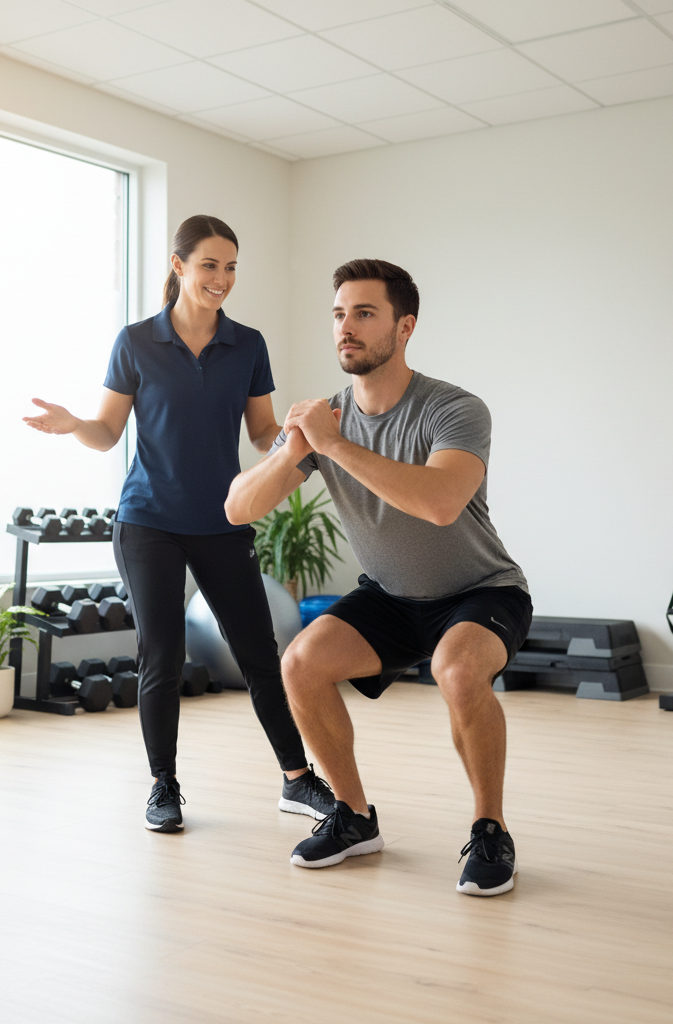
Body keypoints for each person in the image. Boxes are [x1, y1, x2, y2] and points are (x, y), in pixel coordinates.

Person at [225, 258, 531, 895]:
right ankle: (356, 817)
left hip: (480, 589)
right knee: (301, 663)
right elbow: (238, 507)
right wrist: (295, 450)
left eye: (365, 313)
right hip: (390, 595)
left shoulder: (452, 408)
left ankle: (490, 827)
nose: (347, 327)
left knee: (457, 669)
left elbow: (441, 502)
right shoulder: (325, 419)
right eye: (339, 314)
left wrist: (333, 446)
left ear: (405, 326)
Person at [23, 215, 334, 833]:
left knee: (259, 655)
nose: (222, 279)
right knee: (160, 654)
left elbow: (261, 433)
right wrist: (73, 423)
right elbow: (109, 432)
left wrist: (300, 436)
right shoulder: (137, 342)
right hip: (149, 523)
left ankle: (298, 780)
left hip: (222, 520)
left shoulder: (247, 344)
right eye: (210, 265)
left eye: (231, 267)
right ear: (179, 265)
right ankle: (163, 786)